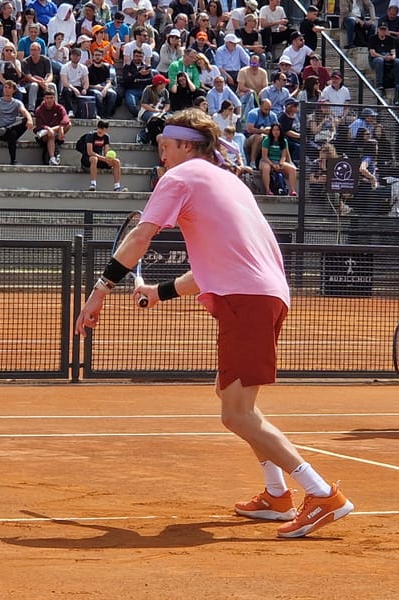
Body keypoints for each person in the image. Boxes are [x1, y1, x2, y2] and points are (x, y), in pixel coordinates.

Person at [74, 108, 354, 539]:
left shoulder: (180, 178)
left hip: (247, 300)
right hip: (263, 296)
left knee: (237, 414)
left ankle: (320, 493)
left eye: (165, 147)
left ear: (186, 145)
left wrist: (98, 293)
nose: (161, 156)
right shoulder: (227, 180)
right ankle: (276, 495)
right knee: (232, 398)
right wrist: (159, 291)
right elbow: (213, 268)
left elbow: (141, 237)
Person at [79, 119, 126, 191]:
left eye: (102, 129)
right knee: (94, 159)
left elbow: (106, 152)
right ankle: (93, 184)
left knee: (116, 161)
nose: (100, 131)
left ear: (106, 130)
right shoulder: (90, 135)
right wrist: (105, 159)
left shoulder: (106, 137)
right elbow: (90, 152)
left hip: (99, 159)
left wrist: (109, 159)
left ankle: (117, 186)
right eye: (99, 129)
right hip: (87, 159)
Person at [33, 87, 70, 165]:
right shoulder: (39, 110)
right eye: (47, 98)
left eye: (51, 98)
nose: (49, 100)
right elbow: (39, 125)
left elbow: (66, 118)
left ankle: (55, 139)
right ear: (44, 99)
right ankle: (52, 158)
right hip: (44, 134)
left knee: (69, 124)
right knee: (50, 134)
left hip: (56, 131)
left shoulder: (60, 108)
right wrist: (48, 128)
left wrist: (61, 127)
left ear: (54, 98)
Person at [260, 121, 297, 195]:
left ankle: (292, 190)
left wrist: (281, 163)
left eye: (277, 130)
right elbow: (264, 156)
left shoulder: (284, 141)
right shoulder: (267, 140)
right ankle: (268, 190)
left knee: (292, 169)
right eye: (274, 130)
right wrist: (272, 164)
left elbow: (283, 155)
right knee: (266, 168)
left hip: (279, 161)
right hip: (267, 161)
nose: (276, 132)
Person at [368, 22, 399, 92]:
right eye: (381, 29)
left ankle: (397, 83)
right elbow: (372, 53)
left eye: (384, 29)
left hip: (387, 58)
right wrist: (384, 57)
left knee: (398, 61)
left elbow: (393, 53)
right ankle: (379, 84)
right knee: (380, 60)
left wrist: (392, 57)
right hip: (375, 60)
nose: (383, 31)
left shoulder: (391, 39)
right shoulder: (372, 38)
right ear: (378, 30)